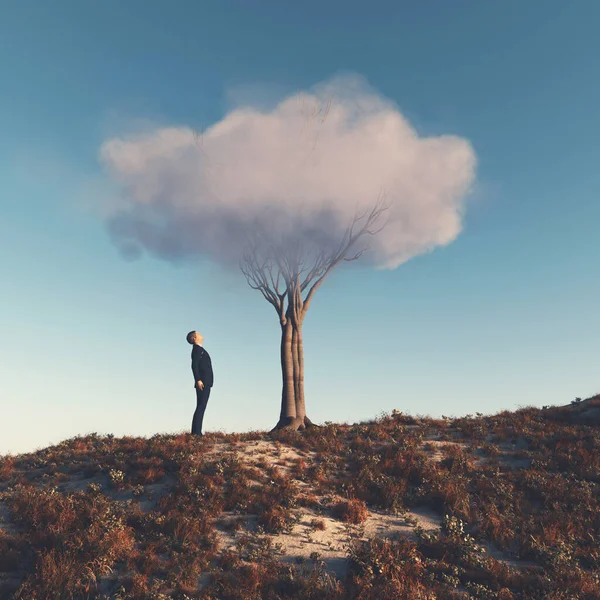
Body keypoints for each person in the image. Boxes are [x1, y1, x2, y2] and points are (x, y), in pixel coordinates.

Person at [186, 330, 214, 436]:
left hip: (205, 381)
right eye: (198, 333)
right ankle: (196, 433)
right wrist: (198, 380)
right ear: (194, 338)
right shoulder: (197, 350)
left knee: (201, 406)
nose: (201, 334)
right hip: (202, 382)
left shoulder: (200, 349)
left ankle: (196, 432)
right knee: (201, 406)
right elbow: (194, 365)